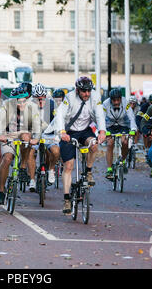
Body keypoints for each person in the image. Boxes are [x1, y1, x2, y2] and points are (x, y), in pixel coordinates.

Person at [46, 76, 106, 214]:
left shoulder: (95, 97)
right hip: (69, 132)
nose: (87, 94)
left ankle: (89, 172)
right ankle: (67, 199)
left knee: (94, 144)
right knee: (69, 165)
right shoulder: (69, 97)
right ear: (78, 90)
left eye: (89, 91)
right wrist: (62, 132)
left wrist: (102, 131)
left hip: (85, 130)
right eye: (84, 91)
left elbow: (99, 115)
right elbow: (60, 114)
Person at [0, 86, 41, 204]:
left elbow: (37, 125)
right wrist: (0, 135)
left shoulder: (33, 107)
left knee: (27, 137)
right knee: (7, 159)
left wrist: (36, 138)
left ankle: (23, 167)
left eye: (23, 101)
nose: (21, 104)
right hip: (8, 134)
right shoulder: (6, 105)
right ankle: (1, 191)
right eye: (18, 102)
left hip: (22, 133)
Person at [30, 83, 60, 187]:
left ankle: (51, 169)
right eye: (38, 99)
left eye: (42, 99)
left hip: (49, 135)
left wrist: (58, 134)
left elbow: (58, 120)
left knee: (55, 152)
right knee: (31, 152)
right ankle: (32, 180)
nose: (40, 101)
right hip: (35, 134)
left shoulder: (52, 104)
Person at [103, 88, 137, 179]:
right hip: (110, 125)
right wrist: (104, 131)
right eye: (114, 100)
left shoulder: (126, 102)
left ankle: (123, 160)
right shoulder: (105, 104)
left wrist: (133, 129)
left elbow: (131, 117)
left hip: (123, 124)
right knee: (110, 143)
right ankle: (109, 169)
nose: (116, 102)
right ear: (111, 99)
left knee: (125, 142)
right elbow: (101, 118)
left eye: (118, 100)